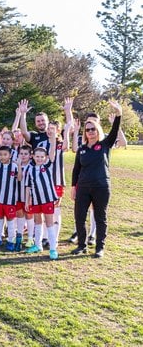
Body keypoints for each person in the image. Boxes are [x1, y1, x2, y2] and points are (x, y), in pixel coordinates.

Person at [71, 100, 122, 258]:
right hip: (83, 187)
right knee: (79, 216)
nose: (91, 132)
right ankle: (81, 245)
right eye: (88, 130)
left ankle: (100, 247)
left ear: (98, 130)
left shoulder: (105, 144)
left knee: (100, 217)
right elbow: (76, 169)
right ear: (85, 132)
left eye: (93, 129)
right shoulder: (82, 149)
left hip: (101, 186)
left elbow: (114, 130)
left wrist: (119, 113)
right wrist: (74, 187)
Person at [24, 131, 58, 259]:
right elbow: (28, 186)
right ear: (33, 156)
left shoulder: (47, 166)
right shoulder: (30, 169)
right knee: (38, 222)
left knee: (49, 223)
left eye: (41, 157)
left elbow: (52, 153)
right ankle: (38, 245)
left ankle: (53, 249)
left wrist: (53, 139)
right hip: (36, 200)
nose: (39, 159)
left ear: (45, 158)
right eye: (37, 156)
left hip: (48, 199)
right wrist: (27, 201)